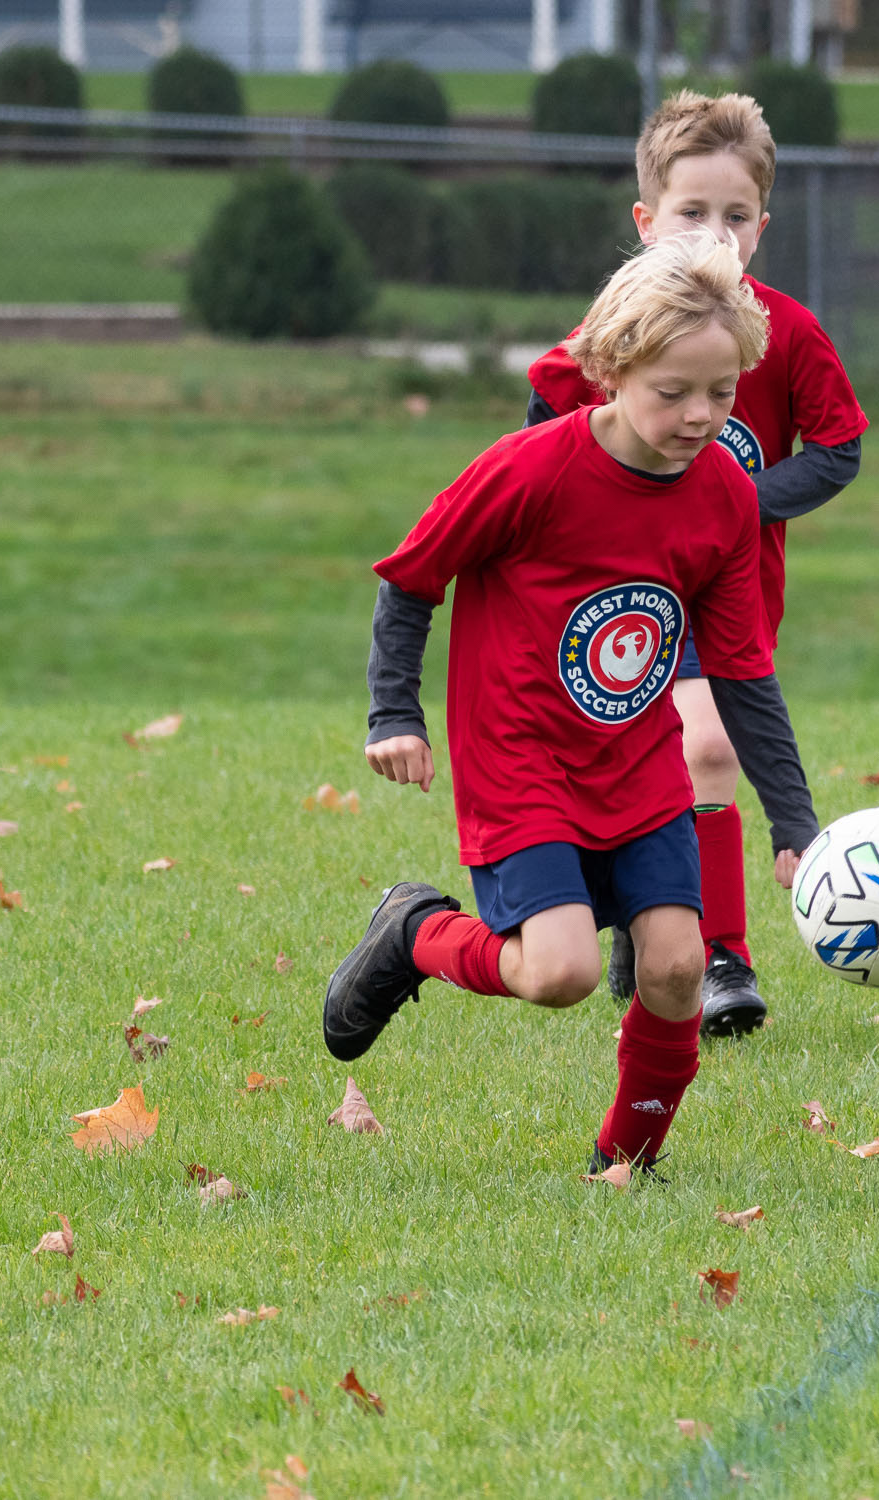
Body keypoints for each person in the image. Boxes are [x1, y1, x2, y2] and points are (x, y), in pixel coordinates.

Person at [325, 231, 821, 1175]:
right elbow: (413, 579)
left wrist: (792, 819)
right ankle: (414, 932)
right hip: (521, 754)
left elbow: (743, 668)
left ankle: (622, 1168)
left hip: (637, 760)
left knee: (678, 966)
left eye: (721, 393)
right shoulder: (529, 470)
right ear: (610, 368)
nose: (699, 416)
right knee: (560, 974)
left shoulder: (724, 494)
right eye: (672, 392)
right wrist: (395, 713)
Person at [525, 90, 868, 1037]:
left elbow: (839, 449)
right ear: (646, 222)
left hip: (730, 596)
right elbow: (543, 425)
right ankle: (657, 925)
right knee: (648, 764)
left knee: (709, 746)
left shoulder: (788, 333)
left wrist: (729, 506)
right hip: (615, 606)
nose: (714, 233)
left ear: (763, 224)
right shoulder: (617, 328)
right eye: (690, 213)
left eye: (736, 216)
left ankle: (722, 955)